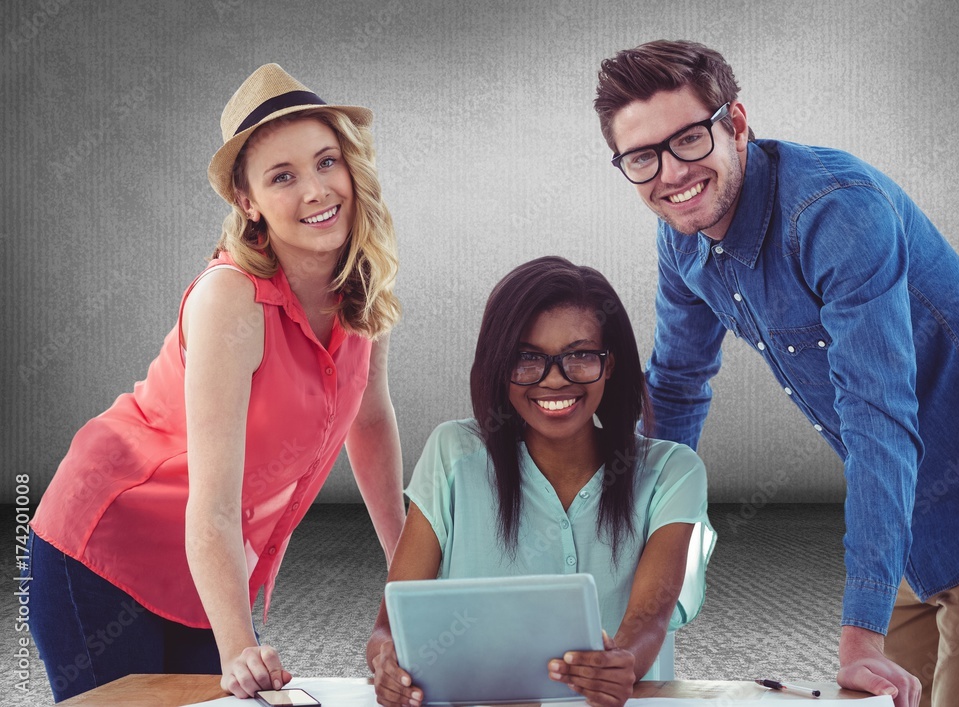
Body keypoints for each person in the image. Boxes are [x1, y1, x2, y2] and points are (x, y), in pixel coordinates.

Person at [593, 39, 959, 707]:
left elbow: (879, 419)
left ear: (738, 124)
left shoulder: (837, 215)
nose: (671, 173)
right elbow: (676, 386)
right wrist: (636, 554)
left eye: (690, 138)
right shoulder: (683, 237)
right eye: (643, 156)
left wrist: (860, 635)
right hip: (909, 529)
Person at [28, 63, 406, 701]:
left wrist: (409, 568)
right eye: (282, 176)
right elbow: (212, 505)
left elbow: (368, 422)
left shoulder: (361, 287)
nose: (315, 190)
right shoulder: (230, 299)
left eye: (325, 162)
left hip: (203, 571)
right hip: (103, 551)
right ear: (247, 200)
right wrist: (238, 649)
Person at [366, 256, 716, 707]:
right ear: (498, 365)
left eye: (581, 356)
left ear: (609, 365)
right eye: (527, 359)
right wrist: (385, 662)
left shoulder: (672, 471)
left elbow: (649, 618)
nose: (554, 380)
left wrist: (623, 661)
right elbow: (387, 628)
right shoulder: (453, 453)